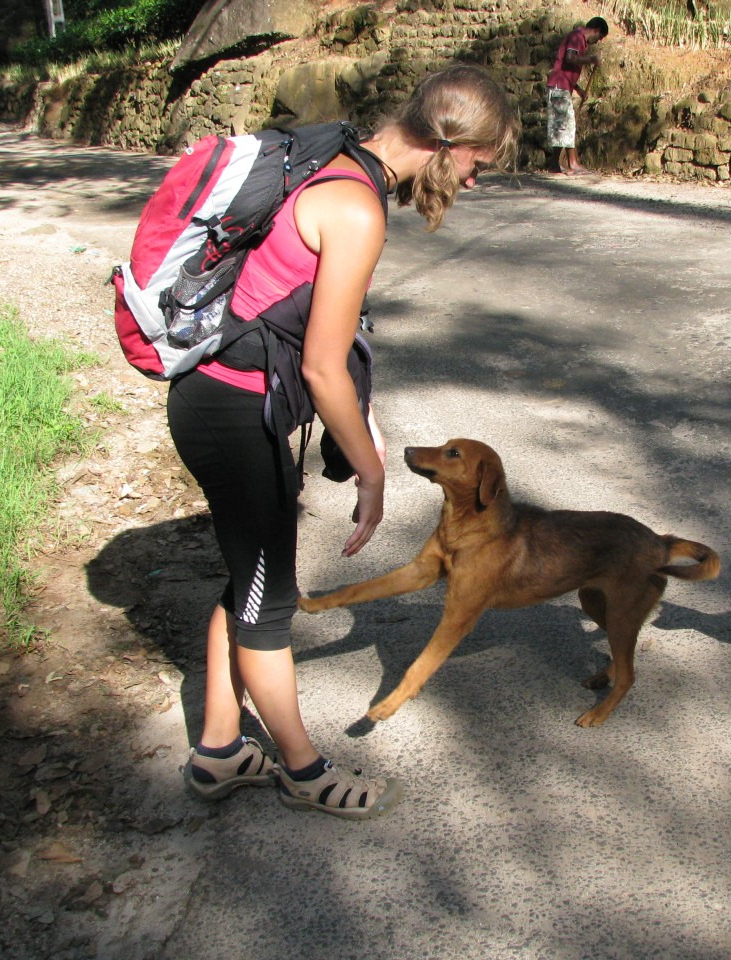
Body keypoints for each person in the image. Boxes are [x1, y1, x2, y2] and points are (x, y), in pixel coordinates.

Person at [169, 64, 519, 819]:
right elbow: (323, 367)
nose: (475, 181)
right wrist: (371, 473)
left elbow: (320, 337)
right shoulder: (356, 209)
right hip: (230, 415)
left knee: (249, 581)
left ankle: (221, 750)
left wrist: (363, 417)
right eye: (478, 166)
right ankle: (303, 769)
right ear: (447, 143)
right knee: (269, 603)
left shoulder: (335, 161)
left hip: (223, 404)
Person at [545, 16, 608, 176]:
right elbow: (570, 58)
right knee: (568, 123)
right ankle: (573, 163)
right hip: (559, 86)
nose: (598, 41)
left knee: (561, 126)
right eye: (599, 37)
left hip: (561, 85)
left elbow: (566, 68)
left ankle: (553, 163)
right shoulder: (576, 37)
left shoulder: (579, 39)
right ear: (596, 30)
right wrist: (590, 59)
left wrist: (578, 89)